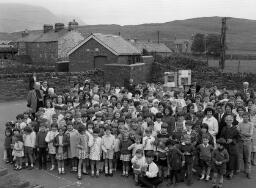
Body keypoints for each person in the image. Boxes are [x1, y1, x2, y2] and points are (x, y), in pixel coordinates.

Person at [237, 112, 253, 178]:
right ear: (242, 117)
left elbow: (250, 134)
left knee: (248, 158)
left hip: (248, 142)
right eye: (244, 117)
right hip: (240, 142)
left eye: (246, 117)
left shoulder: (251, 124)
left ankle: (248, 172)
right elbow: (238, 132)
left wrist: (242, 133)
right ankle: (240, 169)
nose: (245, 118)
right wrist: (244, 134)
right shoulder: (240, 124)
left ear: (248, 117)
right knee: (240, 157)